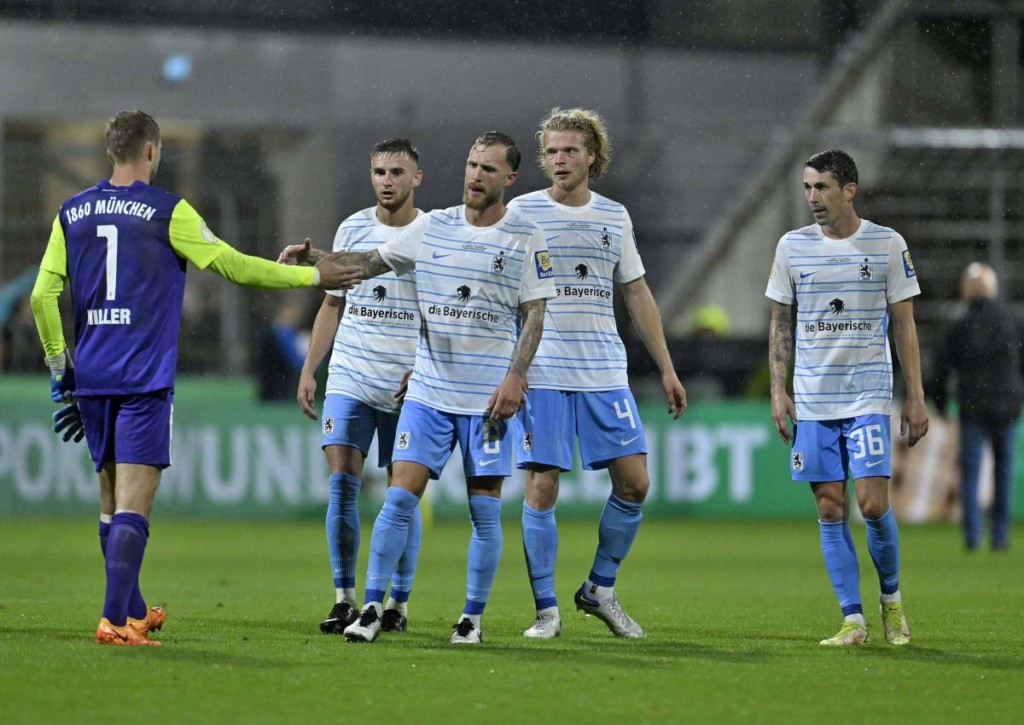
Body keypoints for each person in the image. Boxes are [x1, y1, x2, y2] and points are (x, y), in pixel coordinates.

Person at [29, 109, 360, 646]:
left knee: (111, 503)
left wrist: (58, 367)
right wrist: (310, 274)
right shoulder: (167, 211)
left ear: (110, 151)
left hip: (91, 374)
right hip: (142, 378)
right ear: (152, 150)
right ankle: (114, 621)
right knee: (135, 503)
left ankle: (133, 609)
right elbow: (234, 265)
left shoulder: (71, 212)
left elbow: (42, 296)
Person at [288, 131, 555, 645]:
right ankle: (370, 607)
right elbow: (368, 264)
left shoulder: (526, 236)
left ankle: (471, 619)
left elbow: (535, 313)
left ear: (509, 177)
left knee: (484, 512)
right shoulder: (435, 227)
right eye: (472, 164)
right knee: (397, 500)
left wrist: (516, 376)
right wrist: (313, 263)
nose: (476, 175)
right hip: (429, 393)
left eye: (488, 168)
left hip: (487, 400)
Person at [508, 108, 687, 639]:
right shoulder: (521, 212)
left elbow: (636, 292)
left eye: (570, 150)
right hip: (543, 370)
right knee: (542, 485)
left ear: (593, 156)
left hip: (605, 371)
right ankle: (546, 611)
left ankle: (599, 589)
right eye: (551, 152)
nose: (560, 159)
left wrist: (667, 367)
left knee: (635, 482)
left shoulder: (614, 216)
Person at [765, 148, 928, 647]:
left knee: (872, 505)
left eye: (822, 187)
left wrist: (915, 396)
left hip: (868, 397)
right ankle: (852, 620)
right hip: (813, 400)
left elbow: (904, 325)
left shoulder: (886, 244)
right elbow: (780, 322)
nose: (812, 197)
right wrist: (778, 388)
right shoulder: (792, 246)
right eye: (807, 187)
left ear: (849, 190)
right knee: (831, 509)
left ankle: (891, 602)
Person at [293, 138, 426, 635]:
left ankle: (397, 603)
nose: (386, 181)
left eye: (397, 172)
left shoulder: (432, 234)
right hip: (350, 375)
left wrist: (426, 367)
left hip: (407, 383)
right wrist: (311, 368)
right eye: (379, 172)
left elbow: (439, 311)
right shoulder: (351, 227)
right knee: (342, 484)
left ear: (416, 178)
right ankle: (344, 598)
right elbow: (333, 304)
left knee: (401, 492)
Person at [932, 263, 1022, 551]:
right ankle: (1000, 536)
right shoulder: (1013, 319)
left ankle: (972, 536)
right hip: (1007, 407)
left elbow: (940, 367)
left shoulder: (960, 323)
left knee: (970, 475)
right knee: (1003, 473)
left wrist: (940, 403)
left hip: (972, 408)